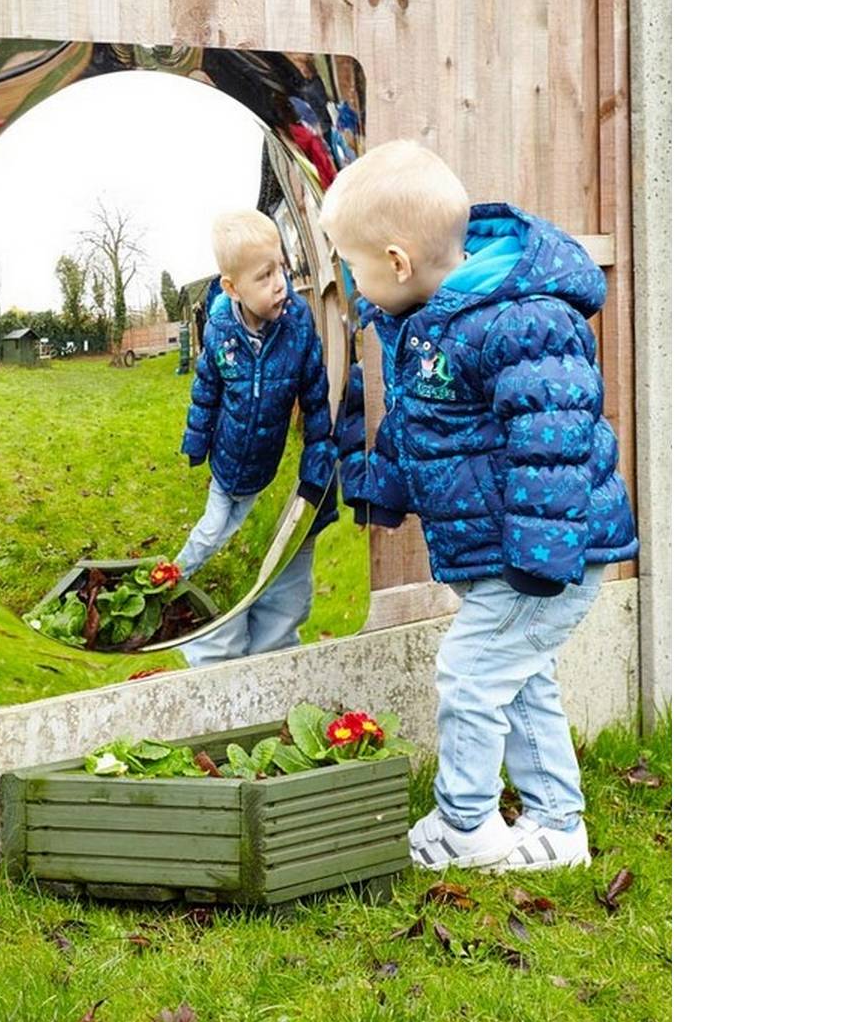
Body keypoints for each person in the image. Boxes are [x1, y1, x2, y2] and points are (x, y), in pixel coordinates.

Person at [319, 140, 639, 872]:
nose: (357, 290)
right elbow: (418, 424)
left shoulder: (520, 321)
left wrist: (540, 554)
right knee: (518, 681)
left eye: (358, 269)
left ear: (398, 262)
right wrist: (383, 486)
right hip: (506, 553)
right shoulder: (427, 322)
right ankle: (559, 827)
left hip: (545, 555)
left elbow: (553, 435)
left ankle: (464, 825)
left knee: (469, 675)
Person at [175, 209, 335, 660]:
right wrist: (195, 443)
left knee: (278, 572)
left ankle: (273, 663)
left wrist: (317, 464)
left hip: (271, 471)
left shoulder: (297, 324)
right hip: (227, 467)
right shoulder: (221, 329)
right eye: (264, 276)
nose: (280, 283)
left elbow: (317, 397)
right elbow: (205, 390)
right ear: (232, 287)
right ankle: (177, 578)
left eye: (280, 267)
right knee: (212, 534)